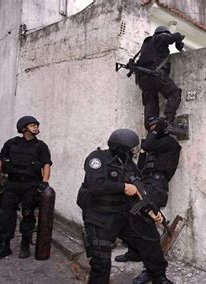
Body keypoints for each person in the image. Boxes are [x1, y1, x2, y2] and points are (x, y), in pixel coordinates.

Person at [77, 128, 172, 284]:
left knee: (150, 237)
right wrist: (123, 187)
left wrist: (150, 211)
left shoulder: (129, 165)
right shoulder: (97, 158)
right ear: (120, 147)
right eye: (131, 149)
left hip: (124, 213)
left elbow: (139, 191)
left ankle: (158, 276)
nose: (133, 152)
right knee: (101, 260)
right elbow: (95, 185)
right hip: (100, 216)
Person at [0, 115, 52, 263]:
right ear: (24, 128)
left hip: (31, 184)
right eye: (32, 125)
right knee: (6, 215)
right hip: (12, 184)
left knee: (28, 214)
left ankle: (25, 244)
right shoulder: (11, 143)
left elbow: (46, 164)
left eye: (36, 125)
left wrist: (45, 182)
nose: (36, 127)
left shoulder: (41, 146)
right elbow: (0, 160)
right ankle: (4, 246)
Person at [115, 117, 181, 263]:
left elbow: (149, 144)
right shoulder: (152, 145)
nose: (151, 130)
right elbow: (140, 166)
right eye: (150, 128)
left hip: (156, 186)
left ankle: (152, 266)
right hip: (144, 183)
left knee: (147, 226)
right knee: (133, 220)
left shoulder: (170, 143)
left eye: (154, 128)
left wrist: (152, 137)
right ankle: (134, 253)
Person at [135, 25, 185, 129]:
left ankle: (151, 127)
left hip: (143, 79)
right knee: (174, 93)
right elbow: (173, 37)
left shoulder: (146, 44)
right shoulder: (159, 38)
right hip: (155, 75)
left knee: (151, 102)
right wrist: (178, 40)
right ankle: (168, 120)